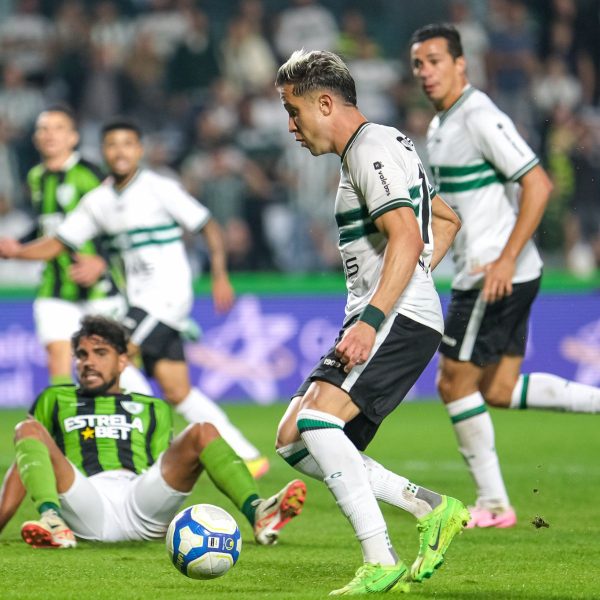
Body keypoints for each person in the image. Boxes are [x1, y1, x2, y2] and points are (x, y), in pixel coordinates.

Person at [273, 49, 468, 595]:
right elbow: (445, 219)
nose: (291, 126)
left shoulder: (370, 149)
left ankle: (379, 559)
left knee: (316, 424)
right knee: (294, 439)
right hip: (387, 312)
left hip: (390, 317)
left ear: (326, 102)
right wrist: (415, 277)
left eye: (294, 111)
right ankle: (431, 506)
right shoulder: (382, 146)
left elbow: (408, 236)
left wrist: (382, 310)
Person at [0, 118, 269, 479]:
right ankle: (248, 456)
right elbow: (59, 243)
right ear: (104, 152)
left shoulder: (160, 188)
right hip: (137, 303)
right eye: (112, 145)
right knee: (178, 391)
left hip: (167, 298)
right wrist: (17, 252)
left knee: (110, 352)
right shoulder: (98, 201)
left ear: (139, 150)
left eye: (128, 144)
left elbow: (207, 225)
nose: (120, 151)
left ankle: (144, 454)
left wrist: (220, 275)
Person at [410, 23, 600, 529]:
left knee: (453, 383)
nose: (425, 71)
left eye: (434, 60)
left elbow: (538, 183)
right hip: (499, 269)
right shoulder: (441, 124)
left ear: (460, 64)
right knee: (497, 388)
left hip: (495, 274)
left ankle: (494, 505)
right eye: (418, 63)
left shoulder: (477, 114)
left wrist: (505, 259)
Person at [0, 315, 305, 548]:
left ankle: (258, 512)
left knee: (202, 430)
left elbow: (165, 470)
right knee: (28, 429)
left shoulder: (152, 408)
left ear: (122, 360)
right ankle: (51, 519)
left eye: (99, 352)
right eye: (81, 354)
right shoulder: (55, 398)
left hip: (139, 500)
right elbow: (27, 460)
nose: (88, 362)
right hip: (85, 499)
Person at [23, 104, 150, 394]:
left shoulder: (90, 174)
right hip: (54, 288)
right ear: (35, 138)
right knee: (58, 357)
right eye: (43, 128)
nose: (49, 134)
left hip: (100, 290)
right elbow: (46, 226)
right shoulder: (35, 178)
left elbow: (116, 223)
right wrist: (17, 246)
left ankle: (145, 420)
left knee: (119, 363)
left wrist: (102, 263)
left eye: (58, 128)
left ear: (73, 137)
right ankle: (69, 432)